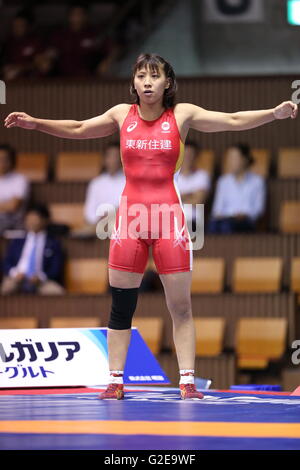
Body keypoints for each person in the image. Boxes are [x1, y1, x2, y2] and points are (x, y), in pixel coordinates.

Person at [4, 53, 298, 400]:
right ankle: (115, 381)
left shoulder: (182, 114)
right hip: (129, 222)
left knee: (180, 307)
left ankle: (187, 381)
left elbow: (232, 119)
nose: (147, 82)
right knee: (121, 306)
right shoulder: (120, 114)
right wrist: (36, 123)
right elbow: (80, 128)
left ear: (167, 83)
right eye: (141, 76)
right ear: (133, 83)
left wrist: (273, 114)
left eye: (154, 76)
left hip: (169, 221)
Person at [1, 203, 65, 295]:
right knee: (5, 289)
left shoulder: (53, 243)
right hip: (17, 278)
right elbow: (6, 262)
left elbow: (55, 268)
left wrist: (40, 277)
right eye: (29, 218)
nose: (31, 222)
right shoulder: (17, 241)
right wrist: (15, 273)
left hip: (42, 281)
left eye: (35, 218)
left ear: (45, 220)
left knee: (57, 292)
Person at [207, 143, 266, 234]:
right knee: (211, 225)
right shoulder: (223, 181)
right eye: (229, 158)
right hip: (226, 219)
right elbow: (217, 209)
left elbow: (258, 209)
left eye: (234, 158)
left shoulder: (257, 181)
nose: (230, 162)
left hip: (246, 221)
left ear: (245, 159)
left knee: (226, 226)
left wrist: (245, 215)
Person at [84, 141, 125, 232]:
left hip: (122, 226)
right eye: (109, 156)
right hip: (98, 227)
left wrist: (112, 214)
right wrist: (102, 219)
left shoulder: (128, 181)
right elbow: (89, 213)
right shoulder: (96, 183)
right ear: (104, 159)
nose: (113, 160)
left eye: (116, 156)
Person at [177, 139, 211, 232]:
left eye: (190, 155)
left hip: (193, 221)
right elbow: (166, 201)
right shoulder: (171, 176)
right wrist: (190, 195)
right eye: (185, 155)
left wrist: (178, 196)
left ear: (196, 156)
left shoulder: (202, 175)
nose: (188, 158)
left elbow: (198, 201)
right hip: (172, 220)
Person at [0, 143, 29, 235]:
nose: (2, 163)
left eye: (5, 159)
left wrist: (7, 205)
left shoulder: (20, 179)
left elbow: (13, 206)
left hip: (13, 220)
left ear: (12, 161)